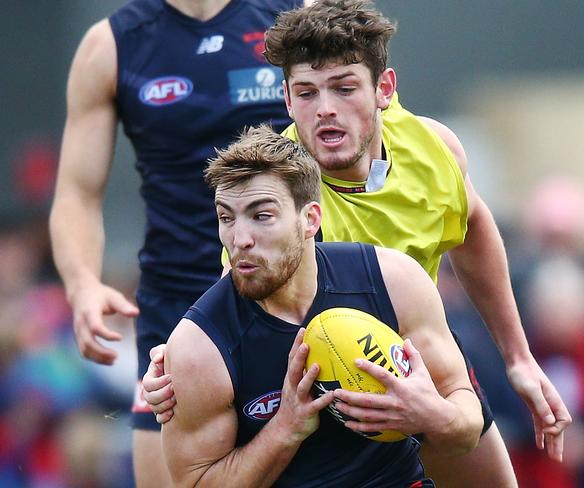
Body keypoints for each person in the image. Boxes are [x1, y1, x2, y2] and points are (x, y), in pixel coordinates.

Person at [145, 0, 572, 485]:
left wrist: (517, 357)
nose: (325, 108)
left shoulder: (433, 147)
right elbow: (240, 300)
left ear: (383, 90)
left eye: (344, 88)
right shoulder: (281, 193)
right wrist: (176, 359)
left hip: (421, 354)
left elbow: (471, 229)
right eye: (306, 93)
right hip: (331, 387)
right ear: (286, 99)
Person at [49, 1, 308, 486]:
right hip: (176, 307)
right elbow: (77, 194)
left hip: (292, 298)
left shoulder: (296, 14)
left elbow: (363, 135)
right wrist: (82, 284)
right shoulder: (110, 46)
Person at [162, 124, 483, 487]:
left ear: (310, 219)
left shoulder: (392, 281)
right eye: (226, 218)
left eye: (262, 215)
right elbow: (196, 483)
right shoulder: (199, 346)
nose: (240, 239)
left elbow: (467, 428)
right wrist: (285, 429)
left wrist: (430, 415)